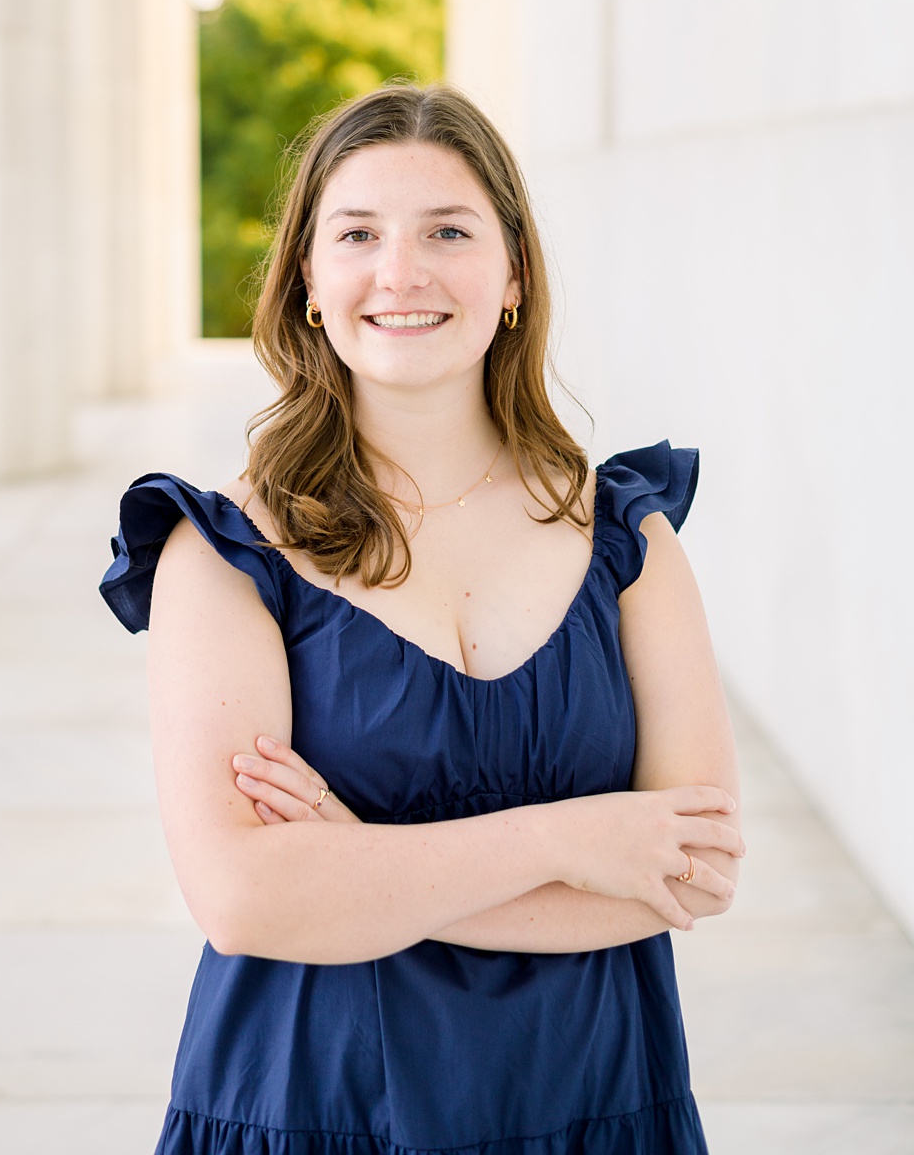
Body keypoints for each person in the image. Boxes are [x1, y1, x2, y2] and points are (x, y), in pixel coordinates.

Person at [100, 83, 742, 1155]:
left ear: (513, 275)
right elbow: (248, 898)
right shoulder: (223, 554)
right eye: (357, 234)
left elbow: (693, 870)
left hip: (593, 1099)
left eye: (448, 230)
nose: (401, 272)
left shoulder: (630, 543)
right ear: (310, 280)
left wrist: (362, 868)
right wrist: (572, 840)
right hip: (319, 1106)